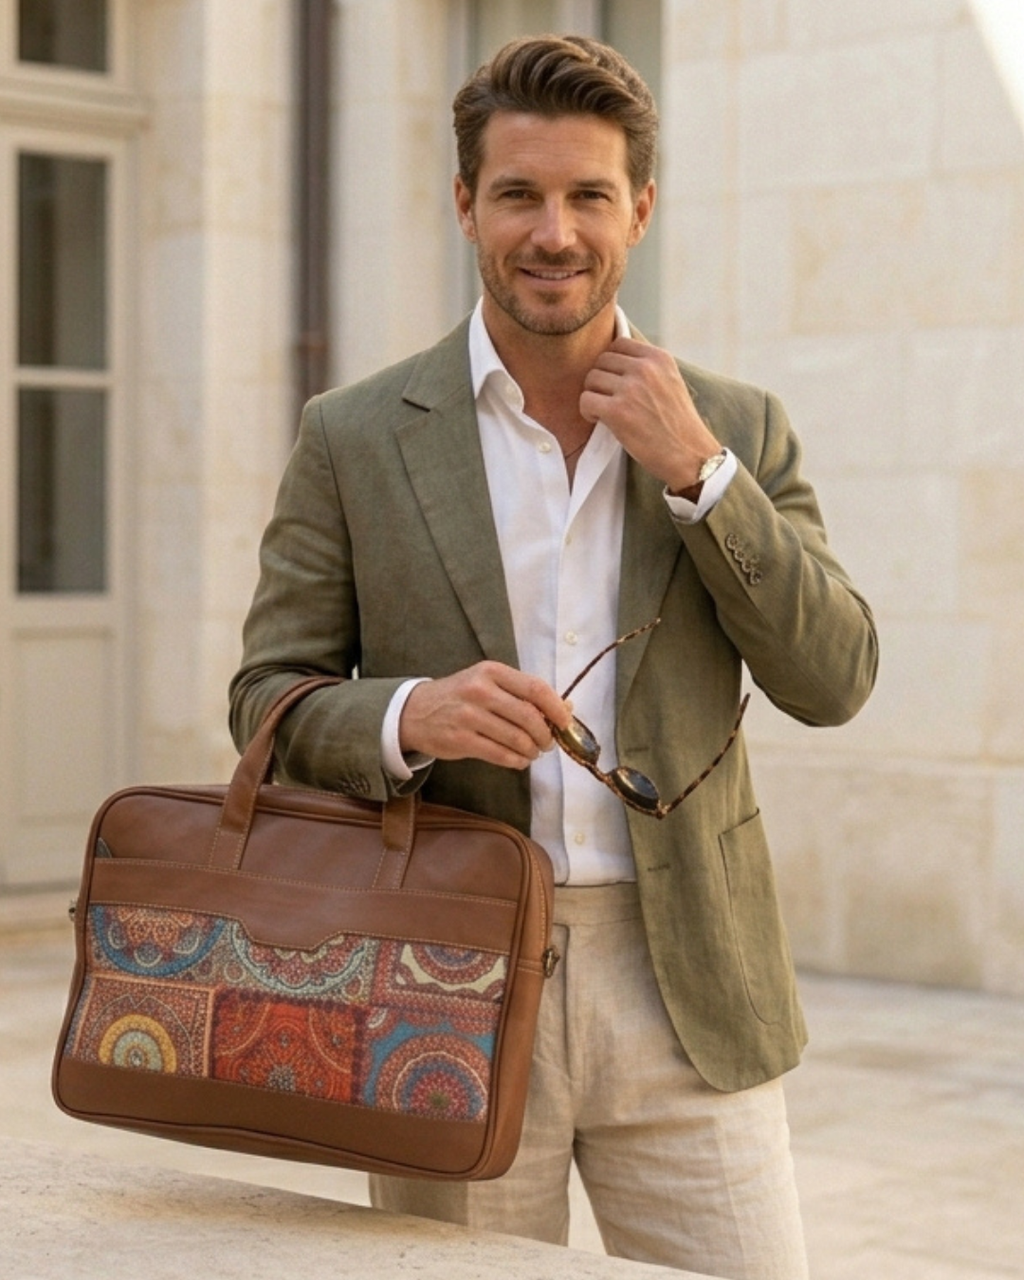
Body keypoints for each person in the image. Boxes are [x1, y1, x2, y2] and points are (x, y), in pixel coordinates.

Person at [229, 34, 877, 1280]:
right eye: (519, 193)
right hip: (437, 977)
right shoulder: (353, 434)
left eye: (588, 195)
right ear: (465, 203)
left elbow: (834, 676)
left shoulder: (734, 429)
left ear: (640, 207)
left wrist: (700, 476)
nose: (554, 231)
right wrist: (411, 714)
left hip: (685, 983)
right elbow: (266, 694)